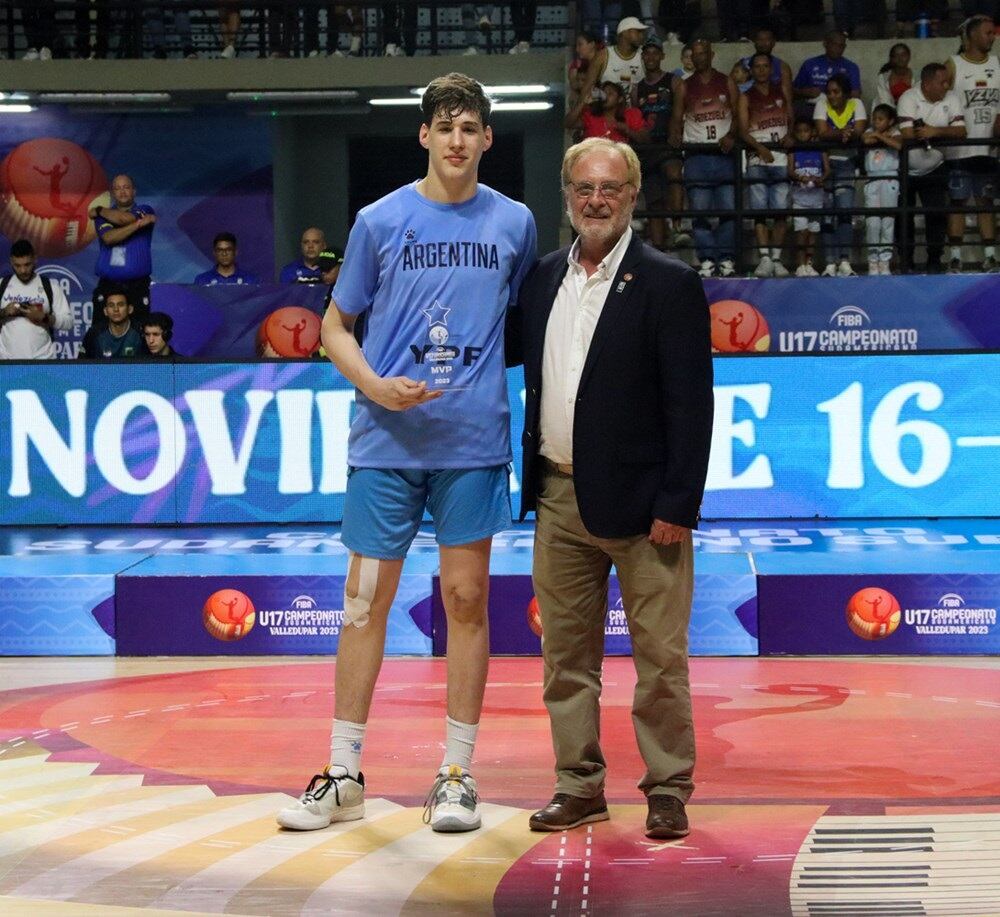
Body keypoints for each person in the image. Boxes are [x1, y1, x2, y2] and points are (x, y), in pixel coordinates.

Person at [275, 73, 536, 835]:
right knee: (362, 605)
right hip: (384, 443)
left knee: (465, 601)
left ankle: (455, 774)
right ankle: (344, 770)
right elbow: (333, 328)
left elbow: (523, 316)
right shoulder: (379, 221)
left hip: (473, 444)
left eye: (471, 127)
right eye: (444, 126)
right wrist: (375, 387)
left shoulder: (515, 224)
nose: (457, 139)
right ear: (424, 135)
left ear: (488, 139)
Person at [507, 136, 713, 840]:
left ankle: (667, 787)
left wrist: (677, 504)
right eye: (583, 188)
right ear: (566, 196)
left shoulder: (670, 283)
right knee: (566, 659)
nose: (596, 200)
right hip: (559, 499)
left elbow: (691, 404)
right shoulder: (539, 281)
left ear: (631, 198)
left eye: (610, 189)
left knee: (659, 659)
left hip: (646, 506)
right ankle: (578, 785)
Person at [670, 39, 739, 278]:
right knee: (699, 211)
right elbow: (676, 118)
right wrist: (675, 136)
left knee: (729, 211)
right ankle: (707, 259)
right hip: (697, 157)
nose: (699, 57)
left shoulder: (726, 81)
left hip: (724, 156)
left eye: (703, 53)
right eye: (695, 54)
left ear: (711, 54)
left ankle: (727, 258)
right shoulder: (684, 86)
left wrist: (731, 134)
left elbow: (740, 115)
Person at [897, 63, 967, 272]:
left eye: (947, 81)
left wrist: (934, 131)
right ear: (927, 84)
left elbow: (961, 131)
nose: (947, 85)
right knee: (904, 216)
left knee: (936, 215)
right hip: (905, 168)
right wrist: (935, 132)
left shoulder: (952, 98)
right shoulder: (908, 98)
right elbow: (908, 134)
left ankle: (935, 260)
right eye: (942, 82)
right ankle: (905, 260)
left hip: (935, 166)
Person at [946, 15, 1000, 272]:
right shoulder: (954, 64)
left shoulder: (996, 63)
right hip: (960, 147)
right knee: (957, 201)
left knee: (986, 201)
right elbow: (937, 98)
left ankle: (990, 256)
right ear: (973, 35)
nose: (993, 37)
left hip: (988, 146)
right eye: (988, 32)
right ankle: (955, 257)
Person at [739, 52, 792, 277]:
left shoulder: (782, 91)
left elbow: (791, 119)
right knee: (760, 211)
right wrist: (760, 148)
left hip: (780, 158)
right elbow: (742, 129)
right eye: (757, 67)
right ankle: (765, 258)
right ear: (751, 70)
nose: (761, 70)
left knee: (780, 211)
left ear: (771, 69)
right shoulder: (745, 96)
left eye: (765, 66)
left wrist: (790, 136)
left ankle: (778, 258)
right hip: (757, 158)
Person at [634, 34, 685, 251]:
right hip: (647, 147)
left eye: (655, 52)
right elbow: (635, 117)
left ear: (662, 56)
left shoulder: (672, 80)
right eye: (647, 53)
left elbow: (678, 110)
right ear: (643, 57)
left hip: (667, 142)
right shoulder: (637, 89)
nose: (651, 56)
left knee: (674, 175)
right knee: (654, 201)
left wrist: (675, 132)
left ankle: (677, 227)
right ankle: (658, 250)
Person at [814, 73, 867, 276]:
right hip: (825, 162)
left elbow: (859, 131)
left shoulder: (856, 104)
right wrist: (844, 133)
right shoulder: (822, 104)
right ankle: (829, 262)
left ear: (845, 93)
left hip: (846, 163)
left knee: (844, 211)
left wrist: (844, 133)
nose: (831, 96)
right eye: (829, 92)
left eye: (836, 92)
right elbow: (821, 133)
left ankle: (844, 260)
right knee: (827, 213)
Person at [89, 174, 155, 323]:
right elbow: (109, 238)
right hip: (108, 286)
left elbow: (125, 219)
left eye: (126, 187)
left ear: (134, 191)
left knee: (140, 335)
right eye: (117, 188)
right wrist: (138, 224)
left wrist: (98, 210)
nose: (122, 191)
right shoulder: (103, 216)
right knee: (100, 335)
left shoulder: (145, 209)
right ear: (113, 193)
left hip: (138, 286)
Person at [0, 240, 72, 359]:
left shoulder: (50, 286)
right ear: (11, 262)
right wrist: (4, 312)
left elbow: (68, 323)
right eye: (17, 265)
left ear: (35, 259)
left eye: (27, 264)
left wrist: (44, 317)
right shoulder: (2, 285)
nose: (23, 270)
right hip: (7, 361)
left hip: (43, 360)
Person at [862, 104, 903, 275]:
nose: (876, 122)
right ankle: (873, 260)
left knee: (887, 222)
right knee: (872, 222)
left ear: (890, 121)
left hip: (889, 179)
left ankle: (885, 260)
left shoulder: (896, 132)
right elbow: (866, 140)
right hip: (872, 178)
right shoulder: (868, 131)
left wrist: (879, 136)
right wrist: (879, 135)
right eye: (875, 119)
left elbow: (898, 145)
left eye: (880, 119)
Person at [788, 117, 829, 276]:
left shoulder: (820, 148)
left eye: (806, 131)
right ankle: (800, 265)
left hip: (816, 197)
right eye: (799, 132)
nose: (803, 135)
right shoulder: (794, 150)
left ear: (812, 132)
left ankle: (809, 263)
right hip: (799, 197)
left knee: (813, 232)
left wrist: (821, 179)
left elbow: (827, 170)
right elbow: (790, 171)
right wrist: (800, 178)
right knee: (801, 231)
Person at [793, 31, 861, 116]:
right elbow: (793, 90)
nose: (838, 49)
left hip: (839, 109)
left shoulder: (851, 67)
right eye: (834, 44)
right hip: (812, 108)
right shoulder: (810, 64)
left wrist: (836, 95)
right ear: (825, 43)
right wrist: (805, 92)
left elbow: (856, 95)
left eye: (841, 46)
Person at [582, 16, 648, 103]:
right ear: (624, 33)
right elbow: (586, 91)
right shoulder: (603, 56)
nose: (642, 35)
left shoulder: (645, 55)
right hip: (608, 113)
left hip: (636, 114)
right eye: (638, 32)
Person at [565, 80, 650, 144]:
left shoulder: (630, 115)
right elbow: (568, 123)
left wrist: (628, 130)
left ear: (620, 99)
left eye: (610, 93)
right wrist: (583, 102)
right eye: (603, 93)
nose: (605, 96)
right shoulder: (591, 116)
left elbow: (646, 139)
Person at [739, 27, 794, 113]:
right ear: (754, 42)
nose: (763, 43)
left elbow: (788, 100)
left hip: (774, 111)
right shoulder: (742, 64)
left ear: (773, 43)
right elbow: (733, 94)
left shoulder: (782, 67)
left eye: (767, 40)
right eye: (760, 39)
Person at [80, 287, 144, 358]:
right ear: (105, 311)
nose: (116, 309)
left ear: (130, 309)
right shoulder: (94, 334)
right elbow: (81, 365)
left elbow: (151, 365)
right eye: (111, 305)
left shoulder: (141, 333)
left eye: (120, 305)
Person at [195, 233, 261, 285]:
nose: (224, 254)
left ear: (235, 252)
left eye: (228, 250)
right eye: (220, 250)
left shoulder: (251, 280)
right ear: (214, 253)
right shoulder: (202, 280)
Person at [873, 43, 913, 109]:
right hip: (888, 113)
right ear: (891, 58)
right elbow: (884, 101)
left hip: (910, 111)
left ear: (909, 57)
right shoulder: (883, 77)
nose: (900, 59)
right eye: (896, 56)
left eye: (903, 55)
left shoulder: (916, 77)